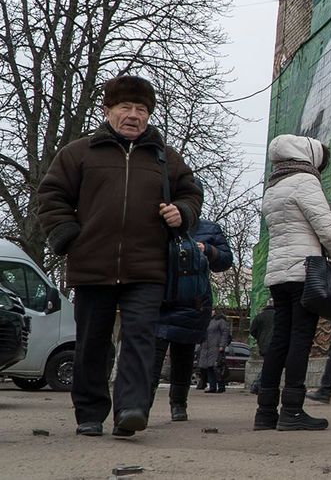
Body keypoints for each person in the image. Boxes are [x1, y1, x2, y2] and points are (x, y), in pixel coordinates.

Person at [37, 76, 202, 438]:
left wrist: (182, 212)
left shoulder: (165, 159)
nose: (133, 115)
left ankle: (131, 409)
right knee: (92, 341)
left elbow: (191, 193)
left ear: (149, 115)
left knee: (140, 338)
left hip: (147, 266)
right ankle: (90, 413)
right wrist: (69, 238)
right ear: (108, 111)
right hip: (92, 263)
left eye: (141, 109)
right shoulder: (79, 153)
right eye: (125, 107)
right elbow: (51, 196)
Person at [255, 134, 331, 432]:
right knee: (301, 339)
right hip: (304, 272)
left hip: (278, 274)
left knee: (280, 338)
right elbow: (327, 227)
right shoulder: (305, 182)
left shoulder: (273, 186)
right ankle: (292, 410)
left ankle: (265, 411)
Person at [150, 212, 233, 420]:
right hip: (161, 300)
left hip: (193, 302)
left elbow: (225, 260)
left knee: (184, 358)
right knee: (151, 358)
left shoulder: (208, 229)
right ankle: (141, 405)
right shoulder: (157, 225)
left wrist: (208, 250)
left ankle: (179, 404)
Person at [200, 310, 232, 393]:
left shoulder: (220, 321)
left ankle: (221, 386)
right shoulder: (207, 320)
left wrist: (222, 345)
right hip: (206, 347)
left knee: (217, 367)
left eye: (212, 310)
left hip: (216, 347)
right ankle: (212, 387)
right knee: (209, 367)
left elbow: (225, 333)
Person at [248, 299, 275, 395]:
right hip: (276, 343)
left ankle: (261, 386)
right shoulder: (279, 315)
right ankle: (257, 385)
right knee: (269, 366)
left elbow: (252, 330)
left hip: (263, 345)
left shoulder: (259, 316)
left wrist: (259, 338)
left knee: (268, 365)